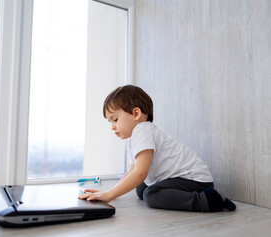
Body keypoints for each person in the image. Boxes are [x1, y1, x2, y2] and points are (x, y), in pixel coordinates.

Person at [79, 85, 236, 212]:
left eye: (115, 119)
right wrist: (110, 193)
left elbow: (140, 173)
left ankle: (207, 200)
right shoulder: (134, 138)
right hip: (178, 178)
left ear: (136, 113)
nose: (113, 127)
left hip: (196, 180)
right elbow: (132, 171)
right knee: (141, 189)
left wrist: (109, 194)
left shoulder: (143, 130)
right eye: (110, 123)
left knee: (150, 195)